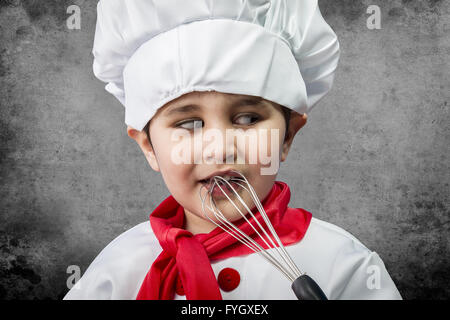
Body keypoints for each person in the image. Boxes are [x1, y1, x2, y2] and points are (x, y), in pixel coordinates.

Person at [64, 0, 402, 300]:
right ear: (148, 146)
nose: (220, 148)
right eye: (188, 124)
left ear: (287, 137)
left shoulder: (345, 266)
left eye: (248, 118)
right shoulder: (116, 271)